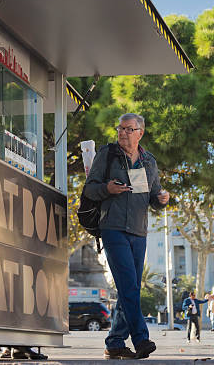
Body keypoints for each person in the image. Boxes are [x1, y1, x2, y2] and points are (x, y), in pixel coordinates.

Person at [84, 113, 169, 360]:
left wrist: (162, 199)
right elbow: (90, 188)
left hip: (139, 231)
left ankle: (114, 342)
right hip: (112, 228)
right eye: (120, 128)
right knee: (130, 286)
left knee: (128, 288)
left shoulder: (149, 161)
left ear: (140, 132)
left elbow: (154, 196)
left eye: (128, 129)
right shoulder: (107, 154)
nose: (122, 133)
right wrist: (106, 189)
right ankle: (141, 339)